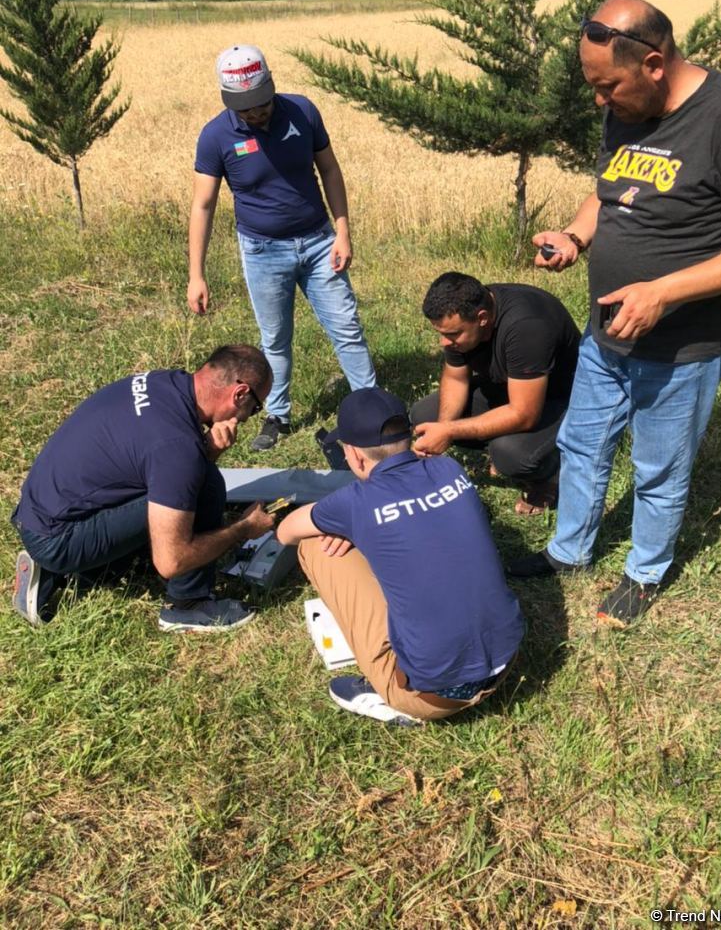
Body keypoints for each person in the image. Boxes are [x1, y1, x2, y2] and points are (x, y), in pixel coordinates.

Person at [514, 0, 721, 627]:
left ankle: (645, 572)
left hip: (682, 346)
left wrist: (663, 291)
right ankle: (569, 550)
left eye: (608, 86)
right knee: (582, 444)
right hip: (606, 331)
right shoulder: (625, 105)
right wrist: (576, 236)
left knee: (658, 468)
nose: (599, 102)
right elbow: (611, 191)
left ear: (655, 64)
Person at [276, 388, 524, 725]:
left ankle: (389, 698)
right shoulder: (449, 468)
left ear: (354, 455)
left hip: (434, 696)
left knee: (313, 545)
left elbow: (286, 531)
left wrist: (341, 525)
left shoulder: (354, 501)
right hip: (507, 660)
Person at [187, 44, 376, 451]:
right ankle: (277, 414)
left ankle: (371, 406)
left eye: (261, 103)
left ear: (272, 85)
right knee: (275, 338)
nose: (256, 114)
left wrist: (342, 231)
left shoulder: (302, 111)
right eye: (246, 108)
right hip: (262, 251)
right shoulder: (216, 136)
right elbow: (203, 205)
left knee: (346, 327)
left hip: (319, 241)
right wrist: (196, 274)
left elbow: (329, 169)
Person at [11, 345, 280, 631]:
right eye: (254, 408)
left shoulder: (164, 382)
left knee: (193, 476)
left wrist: (209, 451)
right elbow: (171, 561)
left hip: (39, 512)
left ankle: (71, 571)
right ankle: (188, 605)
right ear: (239, 393)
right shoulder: (177, 448)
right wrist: (243, 528)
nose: (248, 418)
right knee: (205, 485)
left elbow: (161, 463)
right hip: (57, 538)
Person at [410, 272, 580, 514]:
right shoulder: (463, 314)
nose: (444, 343)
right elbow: (456, 378)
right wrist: (443, 429)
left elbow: (525, 414)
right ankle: (500, 442)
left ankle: (552, 471)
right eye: (441, 334)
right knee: (425, 415)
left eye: (452, 334)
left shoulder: (526, 326)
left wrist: (451, 431)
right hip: (511, 388)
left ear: (482, 318)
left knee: (509, 453)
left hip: (564, 399)